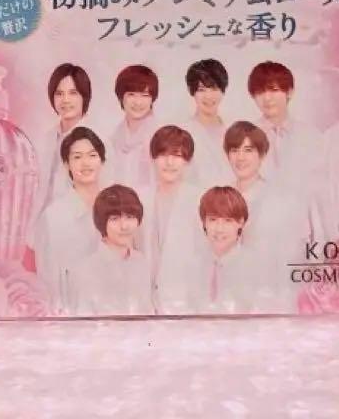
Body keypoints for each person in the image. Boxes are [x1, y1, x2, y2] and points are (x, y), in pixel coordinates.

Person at [223, 120, 305, 308]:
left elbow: (287, 258)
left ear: (262, 154)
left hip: (266, 297)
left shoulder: (279, 200)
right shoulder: (221, 197)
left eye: (248, 150)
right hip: (227, 297)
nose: (240, 157)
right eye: (234, 150)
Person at [33, 126, 108, 309]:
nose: (85, 163)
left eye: (92, 155)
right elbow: (48, 281)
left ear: (102, 160)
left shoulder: (116, 207)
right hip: (73, 315)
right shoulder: (53, 217)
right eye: (77, 157)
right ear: (67, 165)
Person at [137, 125, 202, 312]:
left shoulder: (199, 200)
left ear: (187, 161)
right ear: (153, 158)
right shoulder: (139, 197)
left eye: (177, 155)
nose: (169, 162)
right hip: (144, 301)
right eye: (163, 155)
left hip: (184, 302)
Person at [68, 185, 153, 316]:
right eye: (115, 219)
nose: (124, 226)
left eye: (130, 217)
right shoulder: (85, 271)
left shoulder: (141, 262)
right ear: (102, 223)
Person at [247, 61, 325, 201]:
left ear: (289, 92)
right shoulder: (245, 136)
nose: (267, 98)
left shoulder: (311, 136)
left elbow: (320, 187)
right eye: (260, 92)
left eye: (274, 90)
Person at [178, 186, 257, 314]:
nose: (219, 229)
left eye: (227, 221)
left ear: (241, 223)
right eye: (213, 220)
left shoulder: (253, 267)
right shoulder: (192, 265)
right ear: (204, 222)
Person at [33, 64, 94, 214]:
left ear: (84, 96)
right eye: (59, 93)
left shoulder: (95, 140)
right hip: (42, 219)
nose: (65, 100)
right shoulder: (45, 139)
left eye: (73, 93)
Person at [108, 65, 159, 190]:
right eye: (131, 94)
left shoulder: (160, 135)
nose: (138, 102)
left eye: (145, 95)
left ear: (152, 99)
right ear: (121, 97)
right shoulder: (113, 137)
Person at [183, 59, 232, 187]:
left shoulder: (232, 129)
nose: (208, 96)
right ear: (192, 91)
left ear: (223, 90)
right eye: (201, 89)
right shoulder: (184, 133)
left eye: (214, 88)